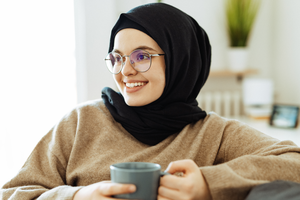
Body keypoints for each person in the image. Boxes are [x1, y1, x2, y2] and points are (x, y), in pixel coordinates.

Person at [1, 3, 300, 200]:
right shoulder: (80, 123)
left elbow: (294, 164)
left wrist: (208, 184)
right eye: (117, 58)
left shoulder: (214, 134)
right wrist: (77, 196)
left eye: (142, 56)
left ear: (182, 61)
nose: (125, 70)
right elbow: (15, 192)